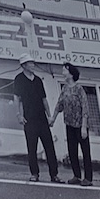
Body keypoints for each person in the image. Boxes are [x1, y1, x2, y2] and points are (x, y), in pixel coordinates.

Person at [14, 53, 62, 183]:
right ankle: (34, 173)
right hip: (29, 119)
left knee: (49, 146)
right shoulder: (19, 79)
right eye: (30, 63)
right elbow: (17, 99)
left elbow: (44, 99)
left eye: (33, 63)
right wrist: (19, 115)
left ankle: (54, 174)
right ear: (24, 65)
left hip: (42, 118)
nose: (32, 65)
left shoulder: (38, 80)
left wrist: (50, 116)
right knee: (32, 147)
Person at [49, 63, 92, 186]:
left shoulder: (79, 89)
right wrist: (53, 118)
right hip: (69, 124)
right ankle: (76, 176)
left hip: (80, 125)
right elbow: (59, 105)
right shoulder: (65, 88)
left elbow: (85, 107)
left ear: (71, 73)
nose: (63, 71)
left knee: (85, 152)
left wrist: (84, 126)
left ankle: (88, 178)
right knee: (72, 151)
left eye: (65, 69)